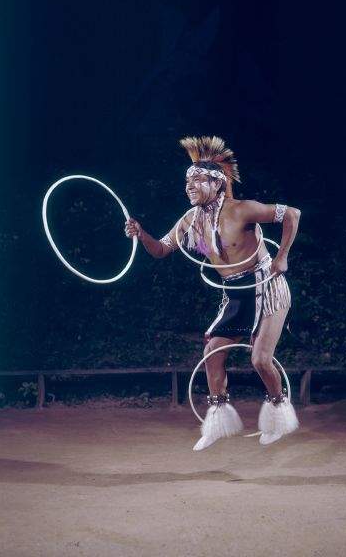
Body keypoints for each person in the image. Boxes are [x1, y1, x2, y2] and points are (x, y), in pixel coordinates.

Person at [125, 136, 301, 450]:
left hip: (267, 286)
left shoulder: (242, 210)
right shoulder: (190, 221)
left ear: (217, 183)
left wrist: (282, 255)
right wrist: (140, 234)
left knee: (261, 360)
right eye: (186, 181)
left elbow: (292, 214)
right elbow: (162, 250)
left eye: (197, 180)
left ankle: (278, 410)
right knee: (212, 352)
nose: (189, 185)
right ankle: (217, 417)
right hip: (234, 294)